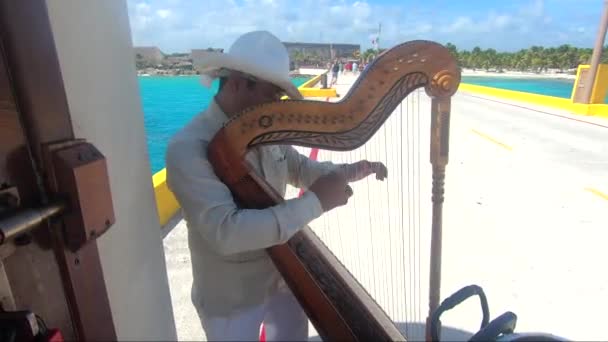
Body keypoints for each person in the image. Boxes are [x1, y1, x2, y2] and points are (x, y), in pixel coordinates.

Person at [165, 31, 387, 341]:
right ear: (240, 82)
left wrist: (349, 171)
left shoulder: (266, 129)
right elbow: (226, 233)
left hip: (286, 275)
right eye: (272, 94)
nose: (277, 106)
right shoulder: (188, 148)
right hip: (231, 297)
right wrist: (316, 203)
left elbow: (299, 168)